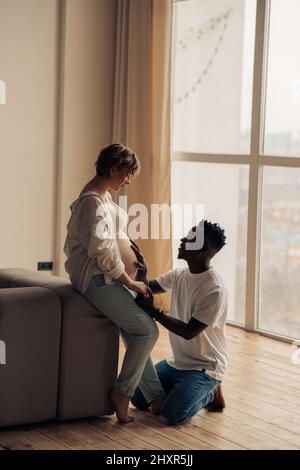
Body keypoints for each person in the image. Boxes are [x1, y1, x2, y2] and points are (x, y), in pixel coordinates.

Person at [63, 143, 165, 423]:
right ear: (114, 168)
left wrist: (129, 247)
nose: (129, 180)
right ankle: (122, 393)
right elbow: (102, 251)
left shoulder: (103, 198)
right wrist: (130, 282)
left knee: (135, 335)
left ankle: (156, 397)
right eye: (127, 173)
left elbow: (112, 237)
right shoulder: (91, 203)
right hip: (99, 281)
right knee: (147, 331)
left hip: (107, 278)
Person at [132, 220, 228, 426]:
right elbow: (147, 288)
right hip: (177, 362)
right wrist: (142, 272)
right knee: (138, 398)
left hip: (205, 366)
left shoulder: (214, 289)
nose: (183, 240)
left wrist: (154, 313)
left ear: (206, 249)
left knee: (173, 413)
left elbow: (189, 331)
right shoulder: (179, 275)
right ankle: (186, 388)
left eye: (191, 239)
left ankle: (211, 392)